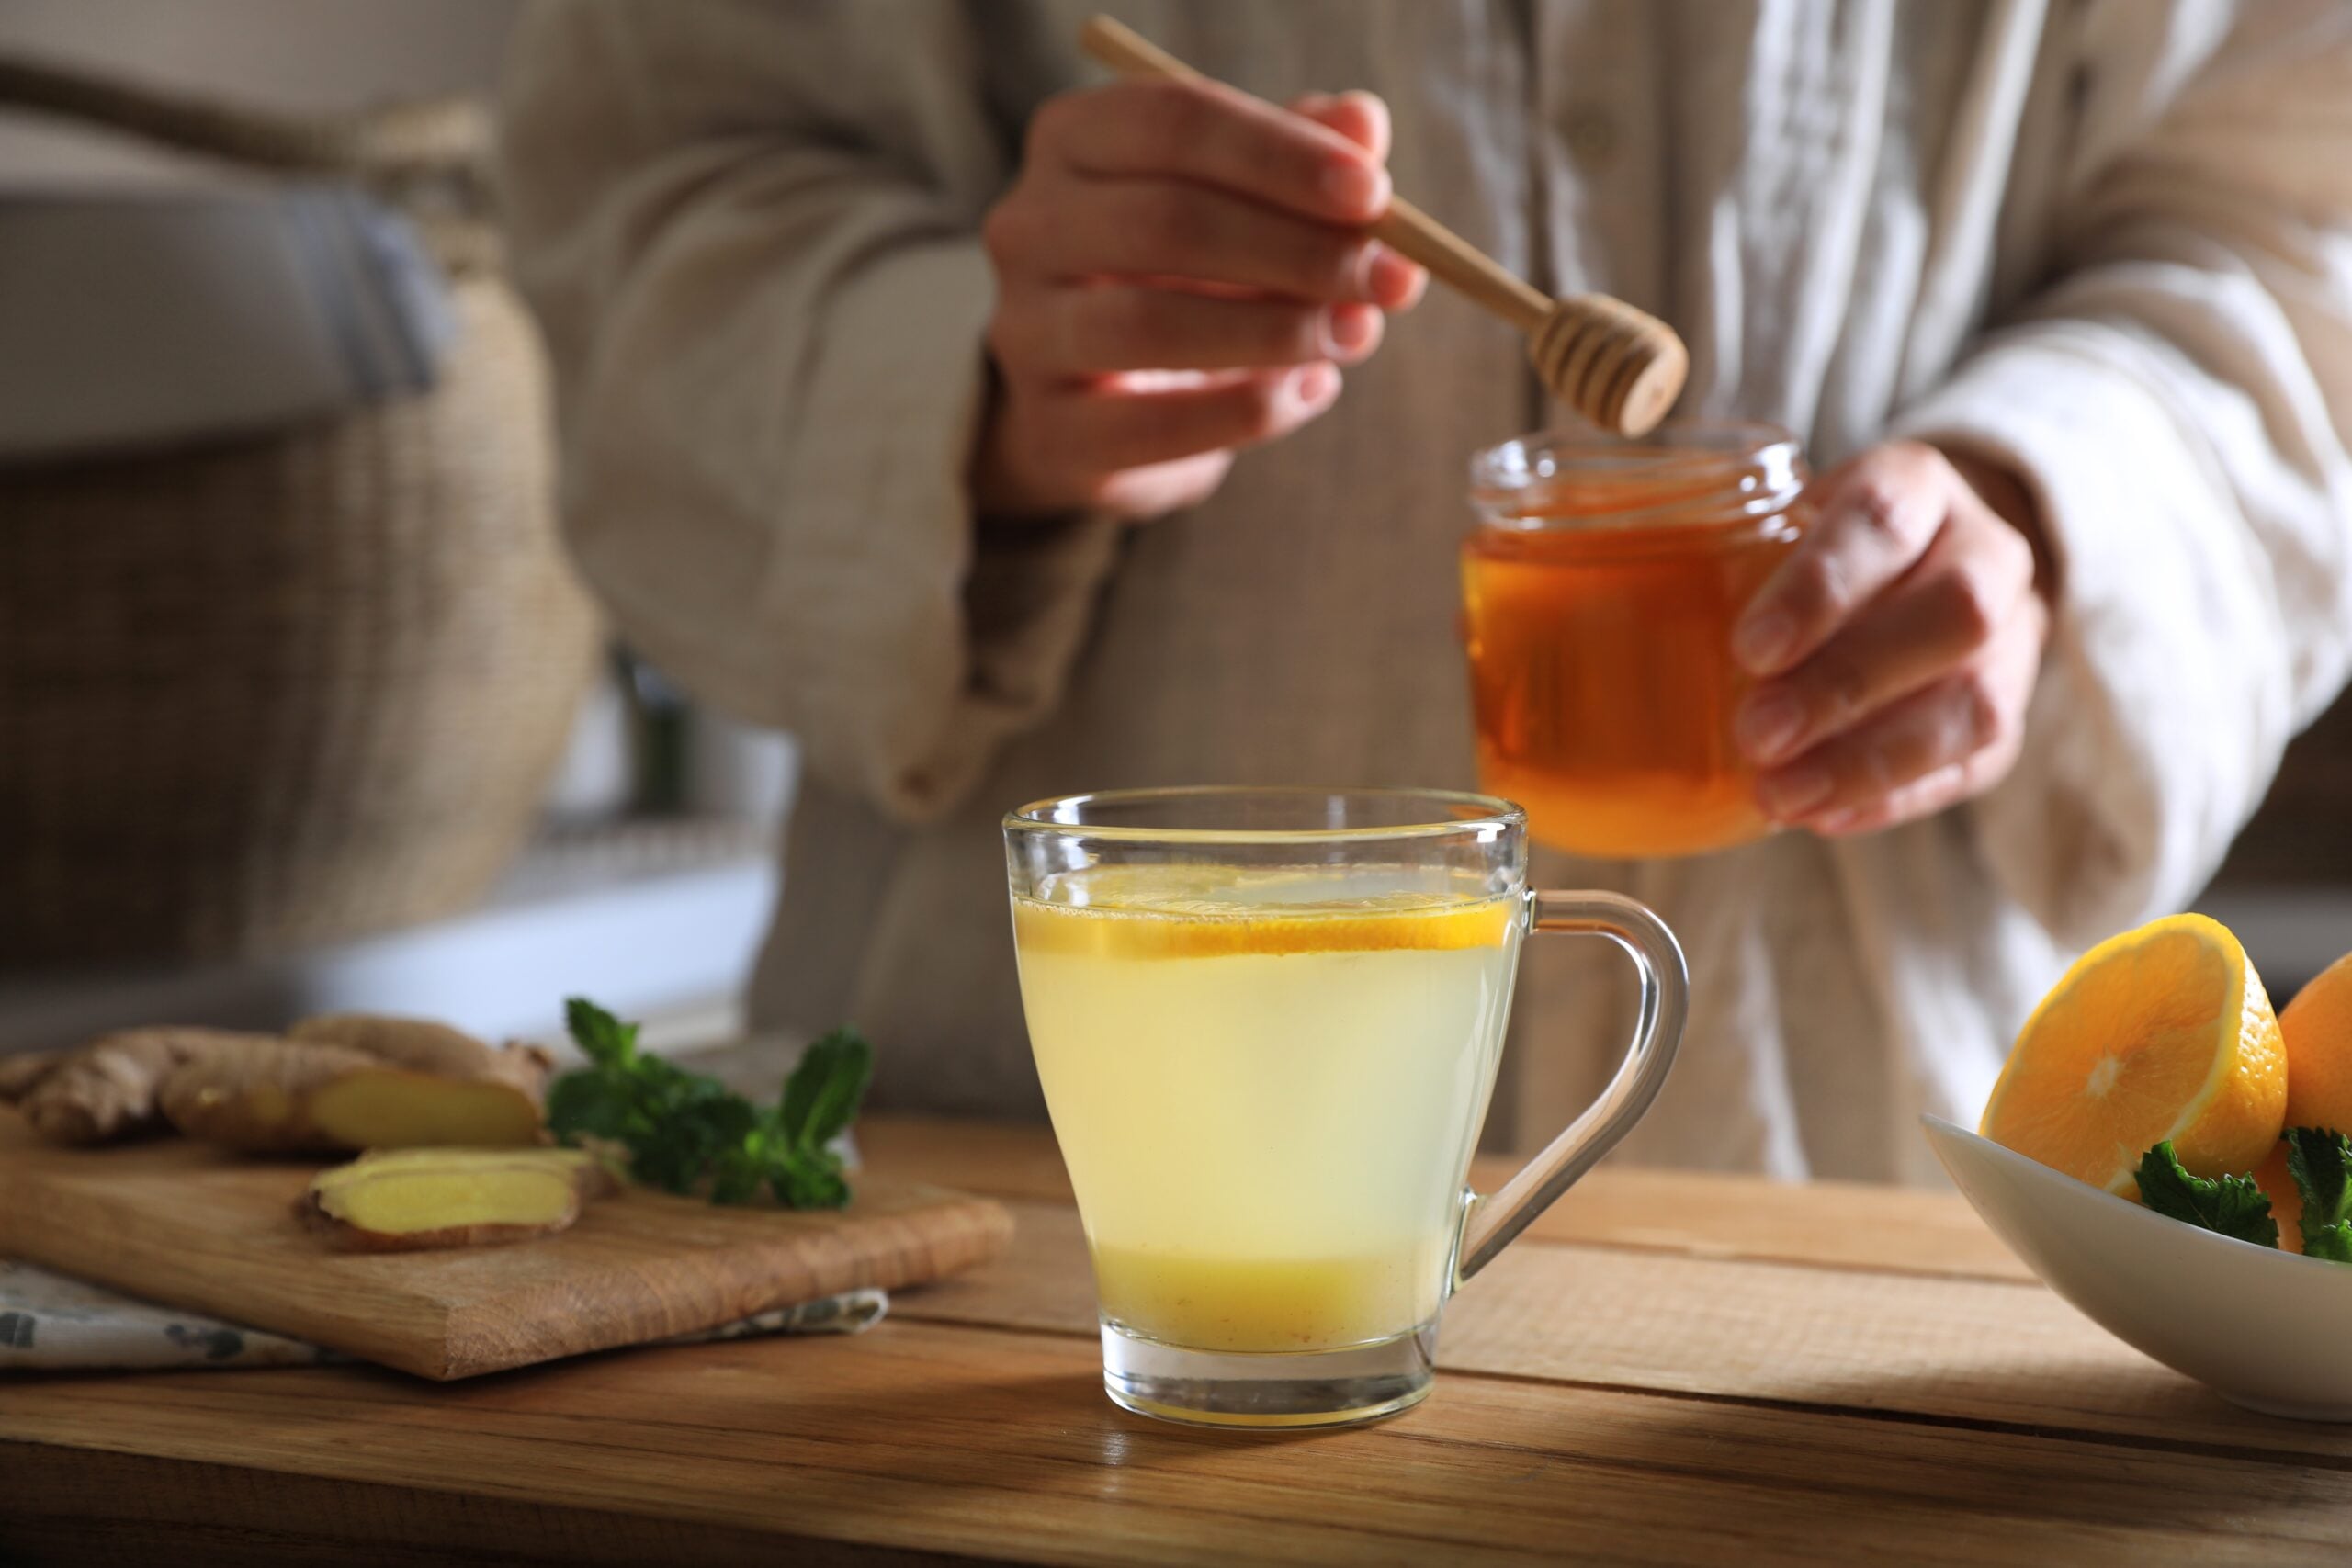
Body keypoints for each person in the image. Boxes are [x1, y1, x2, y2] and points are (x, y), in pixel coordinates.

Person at [498, 1, 2352, 1182]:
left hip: (1870, 1187)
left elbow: (2292, 219)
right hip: (1058, 1211)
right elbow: (634, 197)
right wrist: (980, 381)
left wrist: (2038, 505)